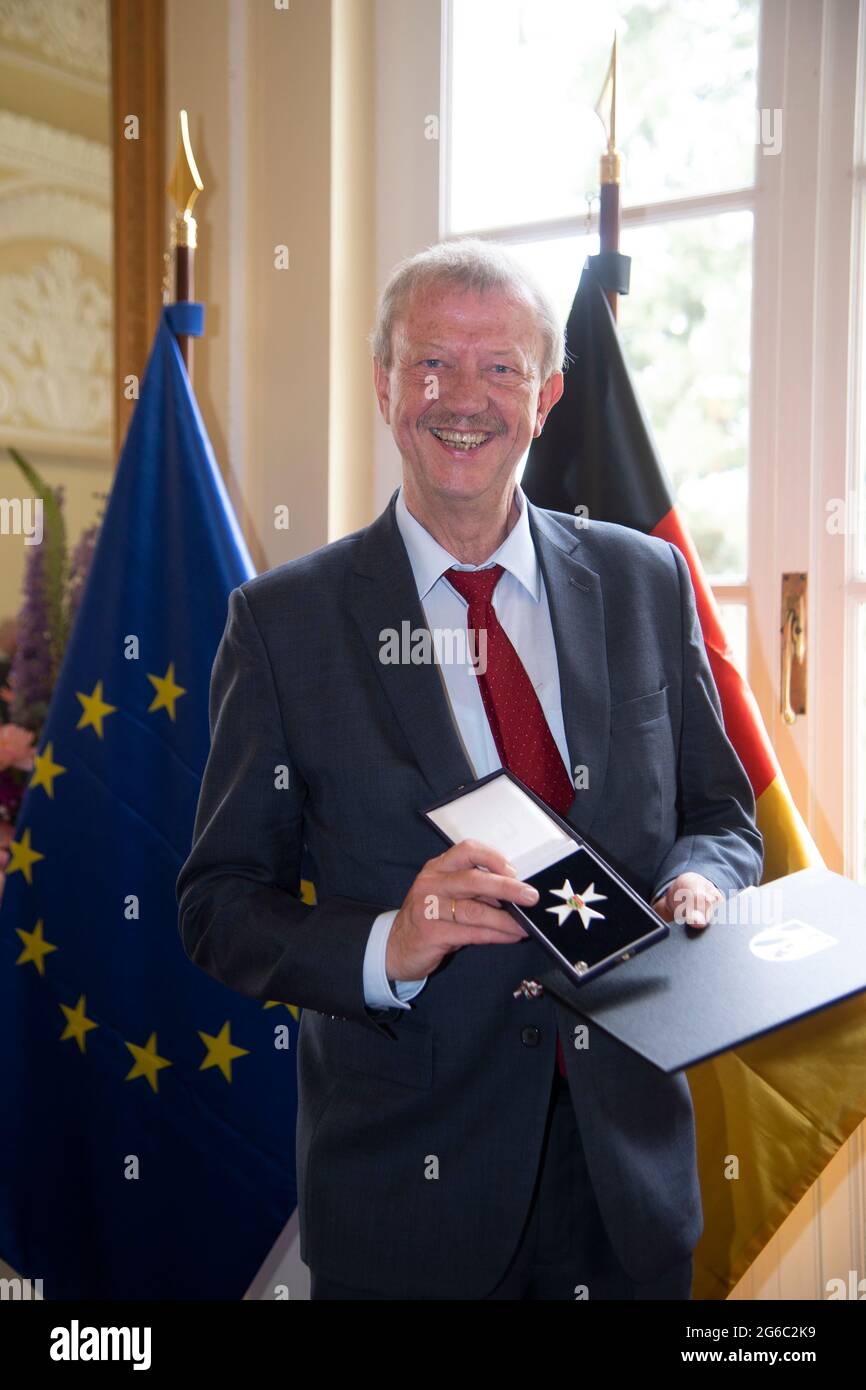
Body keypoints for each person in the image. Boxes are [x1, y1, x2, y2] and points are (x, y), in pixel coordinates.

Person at [176, 238, 763, 1300]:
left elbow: (720, 813)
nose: (464, 397)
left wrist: (700, 880)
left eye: (500, 367)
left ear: (546, 394)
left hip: (627, 1184)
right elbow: (216, 904)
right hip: (409, 1199)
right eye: (431, 362)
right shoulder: (281, 626)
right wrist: (386, 946)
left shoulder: (645, 582)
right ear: (383, 383)